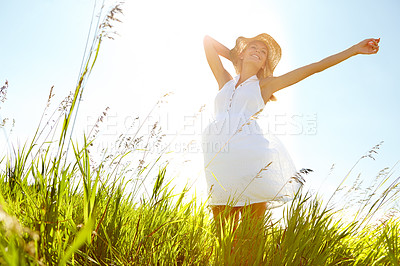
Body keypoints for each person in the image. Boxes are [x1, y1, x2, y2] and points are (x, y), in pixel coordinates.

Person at [200, 33, 380, 232]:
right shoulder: (224, 80)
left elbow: (315, 67)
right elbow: (208, 42)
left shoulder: (266, 85)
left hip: (251, 158)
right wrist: (236, 56)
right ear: (241, 54)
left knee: (252, 233)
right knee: (222, 230)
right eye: (253, 48)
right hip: (219, 158)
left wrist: (354, 49)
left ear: (264, 65)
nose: (258, 52)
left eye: (263, 53)